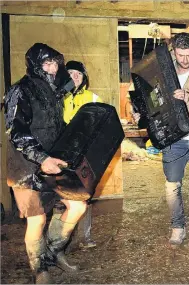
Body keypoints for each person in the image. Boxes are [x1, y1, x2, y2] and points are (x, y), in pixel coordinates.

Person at [3, 43, 86, 283]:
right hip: (27, 165)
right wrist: (42, 158)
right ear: (35, 66)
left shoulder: (53, 89)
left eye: (55, 63)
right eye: (46, 64)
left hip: (53, 160)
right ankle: (40, 268)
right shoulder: (20, 91)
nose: (52, 68)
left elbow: (57, 119)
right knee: (37, 218)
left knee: (76, 206)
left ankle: (53, 252)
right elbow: (16, 131)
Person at [134, 32, 189, 246]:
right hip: (173, 138)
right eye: (181, 55)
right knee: (172, 185)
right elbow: (150, 98)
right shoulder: (162, 72)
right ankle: (177, 226)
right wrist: (141, 113)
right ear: (173, 51)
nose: (185, 60)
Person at [64, 60, 102, 248]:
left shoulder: (93, 98)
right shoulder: (58, 100)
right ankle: (64, 239)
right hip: (62, 155)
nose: (75, 77)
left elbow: (102, 124)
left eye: (78, 73)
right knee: (62, 196)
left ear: (84, 77)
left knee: (84, 195)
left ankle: (85, 237)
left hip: (84, 154)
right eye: (70, 73)